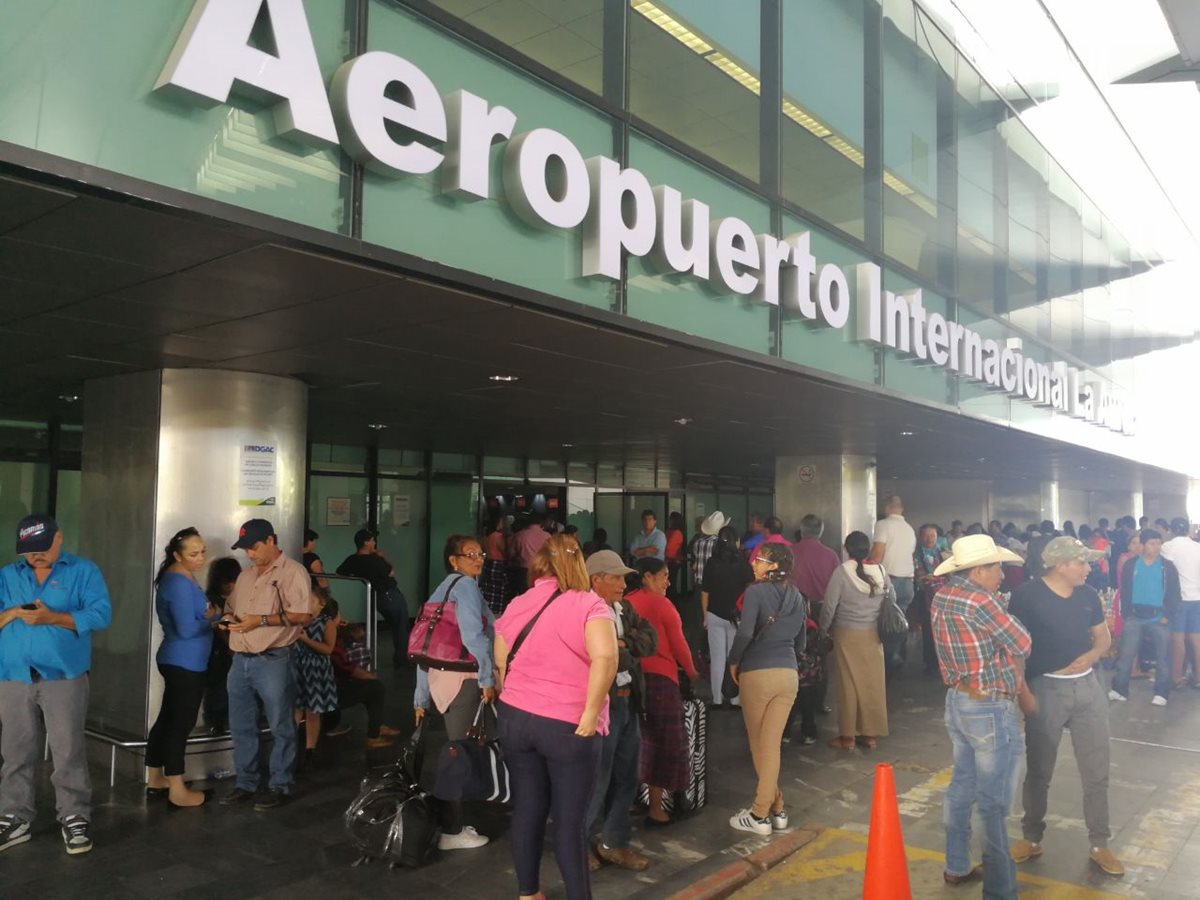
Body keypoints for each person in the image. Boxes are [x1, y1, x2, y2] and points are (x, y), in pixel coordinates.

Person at [493, 534, 618, 900]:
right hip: (567, 725)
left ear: (538, 566)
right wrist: (591, 712)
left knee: (528, 808)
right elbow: (606, 659)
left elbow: (500, 660)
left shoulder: (519, 602)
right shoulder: (590, 604)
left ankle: (528, 894)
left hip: (516, 718)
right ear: (578, 565)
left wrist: (513, 698)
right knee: (569, 822)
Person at [1008, 536, 1123, 877]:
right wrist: (1023, 692)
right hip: (1046, 689)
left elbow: (1103, 638)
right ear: (1060, 564)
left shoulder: (1088, 596)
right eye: (1083, 562)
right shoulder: (1026, 596)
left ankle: (1100, 843)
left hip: (1088, 688)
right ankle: (1031, 837)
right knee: (1040, 769)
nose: (1090, 568)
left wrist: (1089, 656)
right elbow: (1014, 649)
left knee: (1096, 770)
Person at [0, 515, 112, 856]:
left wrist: (53, 618)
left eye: (42, 549)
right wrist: (13, 613)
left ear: (59, 538)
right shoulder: (8, 575)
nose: (36, 557)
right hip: (13, 676)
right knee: (15, 751)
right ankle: (14, 816)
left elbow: (101, 614)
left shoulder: (83, 571)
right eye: (29, 552)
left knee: (67, 750)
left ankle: (75, 815)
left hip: (63, 676)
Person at [930, 534, 1030, 894]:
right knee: (993, 803)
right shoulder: (981, 601)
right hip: (988, 706)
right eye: (997, 567)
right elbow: (1022, 642)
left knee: (961, 787)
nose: (1002, 574)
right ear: (977, 571)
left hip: (958, 701)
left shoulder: (944, 595)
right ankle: (1000, 890)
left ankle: (956, 864)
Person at [219, 519, 315, 811]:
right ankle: (246, 783)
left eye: (255, 547)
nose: (250, 553)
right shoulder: (247, 576)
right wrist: (228, 621)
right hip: (241, 659)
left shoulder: (293, 572)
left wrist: (259, 621)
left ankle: (280, 784)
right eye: (246, 548)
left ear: (271, 540)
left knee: (280, 724)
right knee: (241, 725)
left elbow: (302, 615)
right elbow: (233, 609)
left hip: (274, 659)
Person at [413, 534, 496, 851]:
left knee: (461, 750)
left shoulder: (442, 588)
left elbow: (423, 646)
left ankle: (456, 821)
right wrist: (488, 677)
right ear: (454, 560)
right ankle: (452, 830)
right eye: (471, 554)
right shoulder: (465, 587)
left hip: (441, 681)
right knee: (458, 755)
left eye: (481, 554)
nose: (479, 559)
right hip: (463, 682)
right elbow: (475, 636)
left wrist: (420, 697)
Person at [726, 542, 807, 835]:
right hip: (788, 675)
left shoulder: (755, 592)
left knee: (760, 746)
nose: (753, 563)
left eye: (759, 560)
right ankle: (778, 809)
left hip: (758, 674)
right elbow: (801, 643)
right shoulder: (798, 596)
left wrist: (734, 660)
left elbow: (746, 631)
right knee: (770, 745)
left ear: (773, 566)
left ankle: (760, 815)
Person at [584, 550, 656, 872]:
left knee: (628, 776)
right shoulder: (583, 610)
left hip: (629, 701)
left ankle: (613, 842)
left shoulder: (624, 608)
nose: (624, 584)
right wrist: (621, 648)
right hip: (604, 704)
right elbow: (608, 659)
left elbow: (650, 641)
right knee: (595, 779)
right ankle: (579, 844)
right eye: (616, 577)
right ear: (595, 579)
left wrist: (621, 644)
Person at [145, 527, 218, 808]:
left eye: (202, 552)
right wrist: (212, 619)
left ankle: (156, 778)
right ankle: (177, 787)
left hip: (178, 659)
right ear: (177, 555)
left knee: (167, 718)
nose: (200, 558)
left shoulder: (179, 577)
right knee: (180, 724)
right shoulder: (178, 582)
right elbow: (188, 629)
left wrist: (213, 616)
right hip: (185, 661)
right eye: (193, 553)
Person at [626, 558, 698, 827]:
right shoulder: (661, 604)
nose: (668, 581)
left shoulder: (627, 602)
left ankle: (634, 799)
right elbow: (679, 646)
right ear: (647, 576)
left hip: (631, 680)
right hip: (660, 681)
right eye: (663, 576)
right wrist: (692, 672)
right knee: (666, 743)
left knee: (636, 741)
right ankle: (657, 808)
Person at [820, 532, 890, 751]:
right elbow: (892, 599)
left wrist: (823, 630)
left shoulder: (842, 572)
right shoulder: (880, 570)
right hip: (873, 635)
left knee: (848, 684)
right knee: (872, 684)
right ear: (868, 548)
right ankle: (869, 736)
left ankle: (848, 737)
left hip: (846, 634)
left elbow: (829, 606)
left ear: (846, 548)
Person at [1110, 529, 1179, 706]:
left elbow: (1174, 593)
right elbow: (1124, 590)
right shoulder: (1131, 565)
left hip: (1159, 618)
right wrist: (1126, 613)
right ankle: (1120, 690)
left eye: (1158, 543)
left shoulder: (1167, 567)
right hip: (1134, 617)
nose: (1156, 547)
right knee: (1126, 655)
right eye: (1152, 543)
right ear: (1142, 546)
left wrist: (1168, 615)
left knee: (1163, 657)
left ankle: (1162, 692)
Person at [336, 529, 408, 667]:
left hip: (375, 596)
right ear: (366, 543)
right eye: (372, 540)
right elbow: (391, 572)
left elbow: (340, 572)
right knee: (400, 626)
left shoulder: (352, 559)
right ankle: (402, 659)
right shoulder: (375, 560)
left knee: (395, 625)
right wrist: (383, 557)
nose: (374, 543)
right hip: (389, 594)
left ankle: (399, 656)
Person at [701, 525, 754, 709]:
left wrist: (705, 615)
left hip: (714, 614)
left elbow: (705, 592)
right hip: (736, 617)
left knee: (717, 659)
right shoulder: (743, 564)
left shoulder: (711, 563)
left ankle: (716, 699)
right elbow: (751, 588)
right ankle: (735, 699)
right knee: (735, 658)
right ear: (736, 542)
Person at [330, 618, 401, 748]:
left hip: (331, 690)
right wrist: (371, 677)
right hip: (331, 694)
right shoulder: (334, 647)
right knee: (375, 688)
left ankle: (377, 725)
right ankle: (373, 736)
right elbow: (350, 669)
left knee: (369, 686)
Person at [869, 495, 917, 675]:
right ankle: (899, 661)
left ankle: (888, 665)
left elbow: (877, 555)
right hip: (908, 582)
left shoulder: (883, 525)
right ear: (901, 509)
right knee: (900, 622)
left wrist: (864, 567)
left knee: (887, 624)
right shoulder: (909, 529)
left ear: (887, 508)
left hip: (891, 582)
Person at [294, 595, 340, 768]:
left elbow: (328, 649)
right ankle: (290, 747)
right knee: (295, 708)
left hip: (316, 669)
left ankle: (310, 749)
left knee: (313, 711)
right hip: (297, 667)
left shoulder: (326, 623)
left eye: (312, 600)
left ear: (321, 604)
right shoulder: (297, 620)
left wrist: (306, 640)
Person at [203, 556, 242, 735]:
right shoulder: (216, 601)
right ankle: (216, 723)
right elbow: (221, 629)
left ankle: (217, 722)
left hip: (220, 653)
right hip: (220, 654)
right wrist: (231, 646)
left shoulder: (219, 600)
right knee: (220, 690)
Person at [1160, 517, 1200, 687]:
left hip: (1179, 600)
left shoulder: (1168, 547)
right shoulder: (1197, 547)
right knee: (1196, 639)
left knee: (1178, 639)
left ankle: (1177, 678)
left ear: (1171, 529)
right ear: (1188, 530)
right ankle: (1198, 678)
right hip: (1197, 598)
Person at [913, 524, 946, 675]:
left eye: (932, 535)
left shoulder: (943, 552)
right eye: (926, 535)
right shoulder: (916, 552)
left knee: (943, 630)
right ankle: (931, 663)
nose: (929, 539)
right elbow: (918, 573)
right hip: (925, 595)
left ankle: (944, 662)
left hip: (943, 596)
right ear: (920, 537)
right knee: (928, 629)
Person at [790, 514, 839, 606]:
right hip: (822, 608)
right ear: (820, 532)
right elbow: (837, 587)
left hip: (794, 608)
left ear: (801, 530)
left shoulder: (788, 552)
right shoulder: (831, 555)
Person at [480, 512, 512, 616]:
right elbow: (504, 551)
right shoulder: (499, 537)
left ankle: (488, 610)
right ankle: (498, 611)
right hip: (498, 564)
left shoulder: (486, 536)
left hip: (488, 563)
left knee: (488, 589)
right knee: (499, 589)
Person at [510, 511, 551, 590]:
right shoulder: (547, 536)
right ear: (541, 522)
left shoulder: (519, 535)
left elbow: (511, 554)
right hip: (542, 570)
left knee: (524, 594)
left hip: (523, 572)